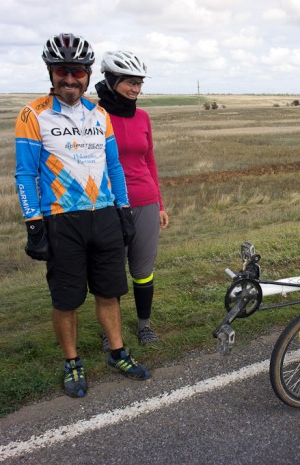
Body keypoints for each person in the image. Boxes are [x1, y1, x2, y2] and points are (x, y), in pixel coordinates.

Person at [14, 33, 151, 398]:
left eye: (77, 72)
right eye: (62, 71)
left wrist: (123, 210)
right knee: (67, 299)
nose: (70, 79)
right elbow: (25, 174)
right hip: (62, 220)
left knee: (110, 292)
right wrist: (33, 223)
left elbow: (114, 166)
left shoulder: (99, 114)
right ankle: (73, 362)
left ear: (89, 74)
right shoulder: (33, 115)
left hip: (104, 214)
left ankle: (118, 352)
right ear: (51, 71)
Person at [95, 51, 169, 347]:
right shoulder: (96, 116)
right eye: (129, 82)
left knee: (142, 269)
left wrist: (160, 204)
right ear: (112, 81)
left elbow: (149, 160)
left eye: (139, 83)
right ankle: (109, 330)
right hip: (108, 205)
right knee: (111, 271)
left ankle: (144, 325)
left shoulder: (143, 117)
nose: (136, 89)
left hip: (145, 201)